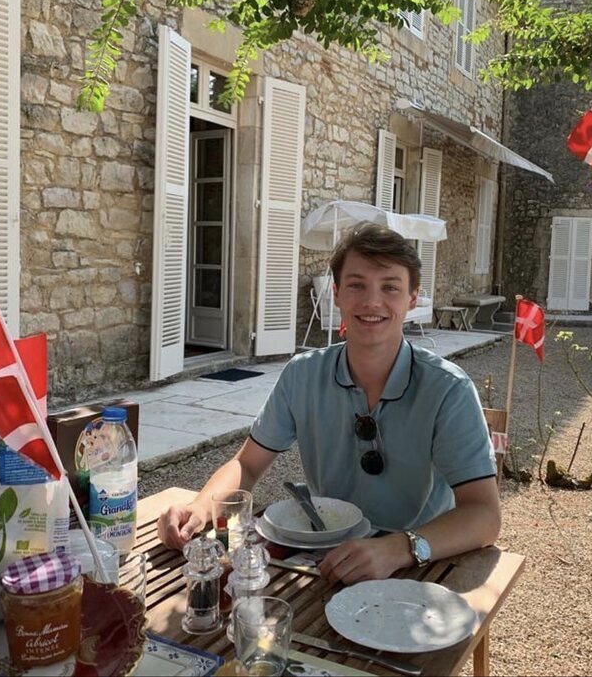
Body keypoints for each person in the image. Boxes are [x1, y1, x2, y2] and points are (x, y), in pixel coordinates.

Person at [158, 222, 501, 583]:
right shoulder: (303, 375)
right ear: (336, 294)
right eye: (356, 285)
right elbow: (247, 465)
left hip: (421, 562)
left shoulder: (447, 389)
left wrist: (398, 548)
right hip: (329, 556)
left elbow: (484, 515)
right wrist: (200, 506)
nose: (371, 302)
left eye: (390, 287)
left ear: (412, 298)